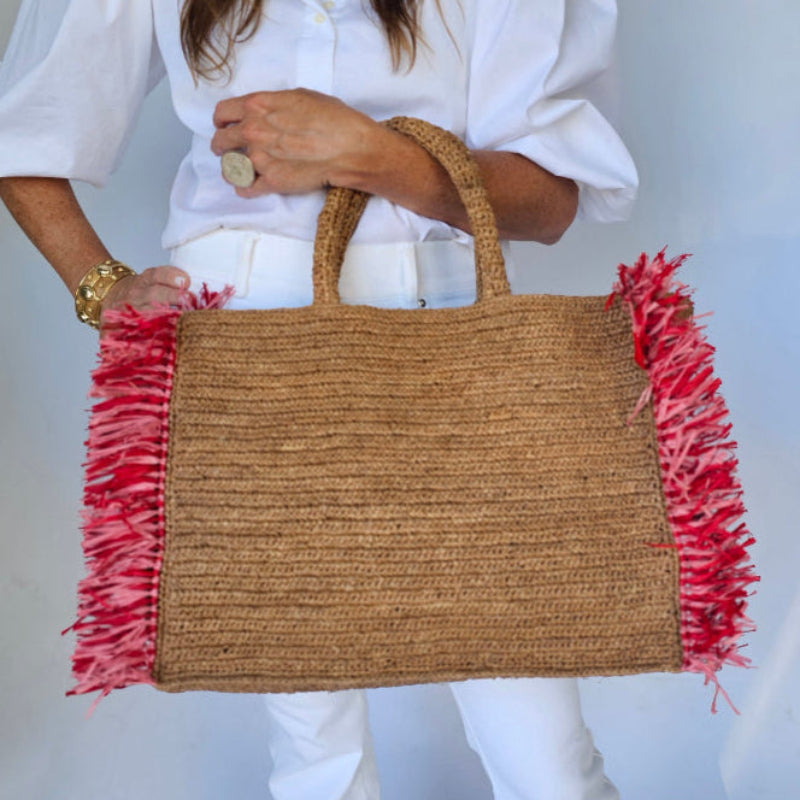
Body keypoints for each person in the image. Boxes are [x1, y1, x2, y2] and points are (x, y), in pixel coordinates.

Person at [0, 1, 638, 798]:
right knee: (315, 752)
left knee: (543, 750)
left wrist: (372, 154)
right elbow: (22, 131)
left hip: (447, 354)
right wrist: (102, 287)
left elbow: (553, 202)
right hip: (242, 359)